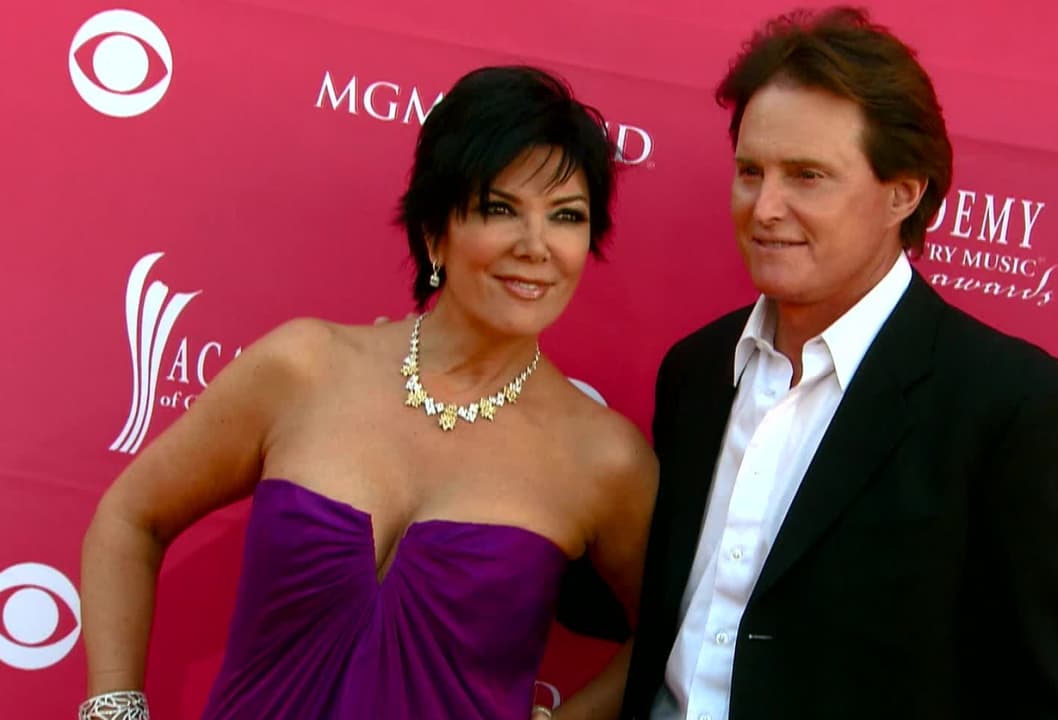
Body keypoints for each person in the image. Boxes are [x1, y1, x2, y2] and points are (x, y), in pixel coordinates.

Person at [79, 65, 656, 720]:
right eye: (500, 209)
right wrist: (114, 709)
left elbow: (671, 636)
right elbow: (130, 518)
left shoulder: (602, 458)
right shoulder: (306, 368)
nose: (536, 246)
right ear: (435, 229)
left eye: (566, 217)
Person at [620, 7, 1058, 719]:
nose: (765, 207)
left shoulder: (1020, 414)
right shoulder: (697, 372)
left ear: (904, 192)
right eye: (750, 172)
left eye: (807, 176)